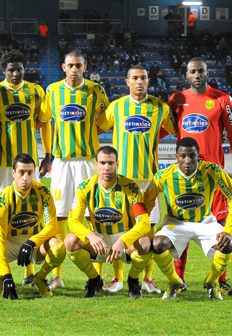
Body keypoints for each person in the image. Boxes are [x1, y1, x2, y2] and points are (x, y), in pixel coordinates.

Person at [96, 64, 177, 294]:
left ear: (148, 81)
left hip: (149, 181)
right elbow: (97, 127)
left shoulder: (160, 108)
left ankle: (147, 279)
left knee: (149, 230)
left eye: (143, 78)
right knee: (119, 227)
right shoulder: (116, 107)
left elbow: (177, 130)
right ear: (127, 82)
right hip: (121, 180)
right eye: (135, 78)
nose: (139, 81)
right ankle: (117, 278)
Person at [168, 57, 232, 296]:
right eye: (193, 71)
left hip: (213, 176)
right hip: (185, 175)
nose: (197, 75)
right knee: (182, 223)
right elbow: (165, 128)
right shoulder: (176, 100)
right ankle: (179, 280)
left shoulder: (223, 100)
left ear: (207, 73)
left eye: (201, 71)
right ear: (187, 75)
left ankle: (219, 280)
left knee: (220, 225)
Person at [37, 50, 109, 289]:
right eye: (71, 65)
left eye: (78, 65)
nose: (74, 69)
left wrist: (88, 132)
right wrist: (48, 153)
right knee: (59, 216)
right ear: (63, 67)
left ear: (85, 67)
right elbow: (43, 119)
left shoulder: (95, 90)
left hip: (88, 161)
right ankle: (57, 275)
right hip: (62, 162)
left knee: (92, 215)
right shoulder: (52, 91)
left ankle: (96, 276)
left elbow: (106, 120)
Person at [0, 49, 53, 285]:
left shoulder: (36, 91)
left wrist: (48, 153)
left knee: (31, 215)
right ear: (4, 70)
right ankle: (0, 272)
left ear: (25, 70)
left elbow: (44, 123)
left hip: (29, 165)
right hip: (2, 165)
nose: (15, 73)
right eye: (11, 70)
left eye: (19, 69)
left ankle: (29, 272)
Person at [145, 137, 232, 300]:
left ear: (198, 156)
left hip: (205, 222)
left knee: (227, 245)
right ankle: (174, 281)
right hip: (176, 223)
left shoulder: (212, 171)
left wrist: (229, 231)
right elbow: (147, 201)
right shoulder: (164, 176)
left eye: (192, 156)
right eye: (183, 156)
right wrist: (142, 227)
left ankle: (212, 281)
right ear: (176, 157)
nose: (187, 160)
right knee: (157, 244)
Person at [0, 153, 66, 299]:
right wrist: (6, 274)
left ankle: (40, 278)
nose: (25, 177)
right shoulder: (2, 199)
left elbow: (52, 226)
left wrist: (32, 242)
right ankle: (0, 277)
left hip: (34, 243)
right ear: (13, 173)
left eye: (30, 173)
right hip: (9, 243)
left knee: (58, 247)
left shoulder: (43, 192)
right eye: (21, 172)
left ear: (34, 172)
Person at [64, 146, 152, 298]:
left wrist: (123, 240)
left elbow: (144, 222)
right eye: (103, 163)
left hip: (124, 240)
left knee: (145, 243)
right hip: (98, 240)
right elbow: (73, 221)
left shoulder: (130, 187)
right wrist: (90, 235)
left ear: (117, 164)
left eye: (110, 163)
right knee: (70, 241)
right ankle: (94, 280)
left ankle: (133, 280)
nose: (107, 167)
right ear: (96, 164)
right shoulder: (84, 188)